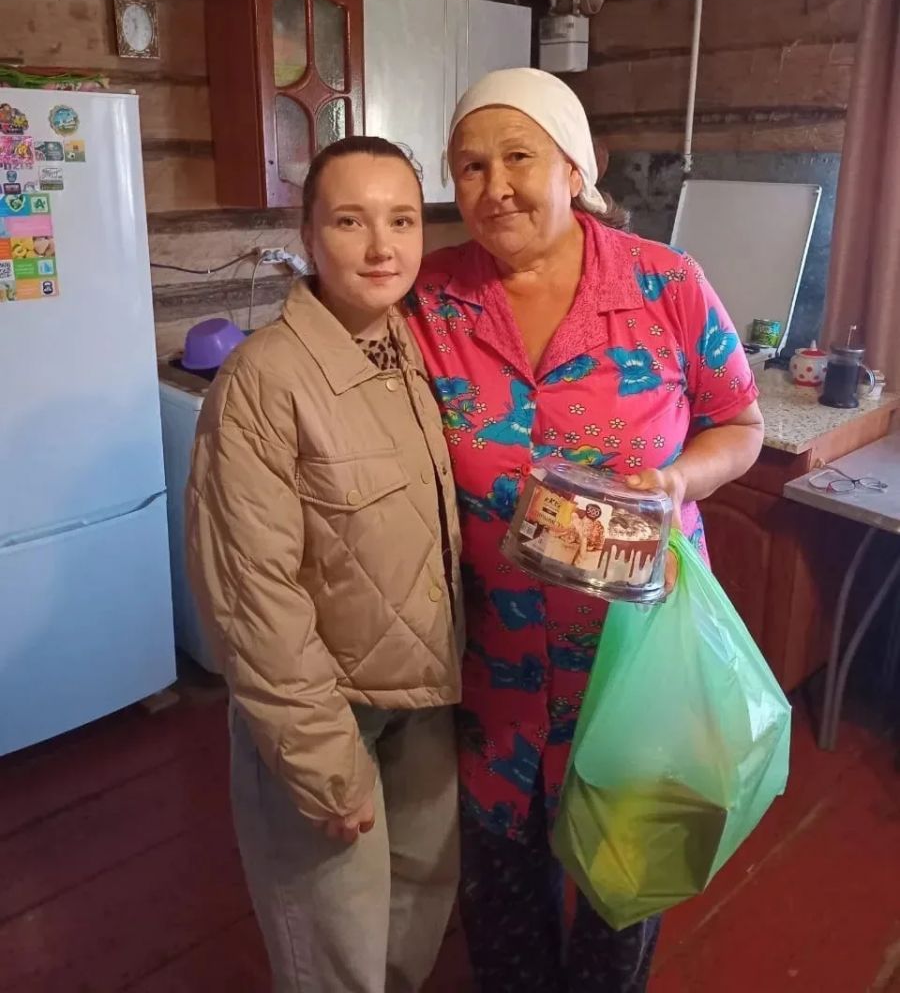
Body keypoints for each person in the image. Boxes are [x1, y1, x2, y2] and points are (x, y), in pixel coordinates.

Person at [406, 68, 765, 993]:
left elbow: (741, 423)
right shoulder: (431, 296)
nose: (495, 187)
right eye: (470, 166)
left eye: (518, 158)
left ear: (575, 168)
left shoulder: (665, 285)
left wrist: (675, 481)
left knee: (620, 897)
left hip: (632, 666)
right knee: (502, 906)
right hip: (489, 669)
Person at [186, 136, 463, 993]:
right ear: (307, 236)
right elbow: (252, 598)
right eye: (350, 221)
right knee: (334, 950)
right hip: (328, 715)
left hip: (426, 698)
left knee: (415, 907)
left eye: (402, 221)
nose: (382, 246)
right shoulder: (263, 382)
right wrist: (321, 761)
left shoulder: (417, 352)